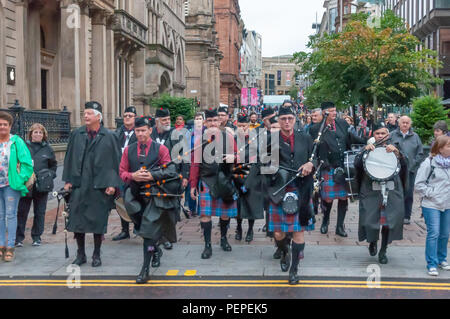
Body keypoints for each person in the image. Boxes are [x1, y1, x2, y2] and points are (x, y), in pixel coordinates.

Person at [63, 101, 122, 267]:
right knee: (76, 220)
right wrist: (68, 181)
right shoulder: (77, 134)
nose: (85, 116)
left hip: (100, 185)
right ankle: (80, 254)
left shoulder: (110, 136)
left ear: (98, 117)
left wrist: (112, 184)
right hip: (79, 184)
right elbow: (69, 158)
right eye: (84, 113)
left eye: (89, 113)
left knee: (98, 221)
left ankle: (96, 253)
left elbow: (115, 162)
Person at [119, 116, 178, 283]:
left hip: (154, 196)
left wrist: (152, 175)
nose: (140, 134)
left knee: (148, 234)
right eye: (137, 131)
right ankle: (156, 250)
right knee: (146, 231)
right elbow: (122, 172)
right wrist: (133, 176)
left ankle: (145, 269)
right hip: (135, 197)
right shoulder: (128, 150)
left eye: (143, 130)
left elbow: (170, 171)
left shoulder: (161, 150)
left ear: (150, 130)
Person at [265, 105, 315, 285]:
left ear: (295, 120)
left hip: (301, 188)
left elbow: (316, 157)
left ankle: (294, 270)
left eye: (290, 119)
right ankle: (284, 251)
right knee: (278, 233)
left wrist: (311, 165)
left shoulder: (305, 137)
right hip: (279, 189)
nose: (287, 122)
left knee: (298, 231)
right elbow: (261, 163)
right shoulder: (270, 140)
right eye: (283, 119)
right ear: (278, 121)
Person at [309, 102, 365, 237]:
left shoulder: (342, 124)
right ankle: (325, 221)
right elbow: (313, 149)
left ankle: (340, 226)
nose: (335, 113)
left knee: (343, 198)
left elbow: (352, 140)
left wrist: (367, 142)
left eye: (335, 111)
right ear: (324, 113)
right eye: (332, 111)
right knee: (327, 199)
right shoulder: (316, 128)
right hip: (328, 167)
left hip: (343, 166)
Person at [355, 121, 408, 264]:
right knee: (370, 220)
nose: (380, 136)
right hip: (371, 189)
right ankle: (372, 241)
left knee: (388, 222)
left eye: (383, 133)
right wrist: (364, 151)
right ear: (373, 135)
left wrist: (398, 153)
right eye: (377, 133)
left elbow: (405, 165)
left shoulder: (395, 146)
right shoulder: (368, 147)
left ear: (388, 134)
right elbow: (357, 165)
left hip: (391, 189)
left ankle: (383, 250)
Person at [190, 109, 237, 259]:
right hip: (206, 180)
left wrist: (234, 157)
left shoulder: (229, 138)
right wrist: (192, 185)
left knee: (224, 215)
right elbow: (195, 164)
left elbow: (241, 157)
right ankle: (207, 244)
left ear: (220, 121)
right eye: (209, 121)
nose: (212, 123)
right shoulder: (200, 141)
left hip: (224, 180)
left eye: (215, 120)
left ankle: (223, 239)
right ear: (205, 123)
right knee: (205, 215)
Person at [151, 108, 189, 256]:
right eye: (164, 120)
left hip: (171, 178)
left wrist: (185, 176)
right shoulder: (150, 133)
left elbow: (185, 155)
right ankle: (157, 236)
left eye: (168, 119)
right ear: (156, 121)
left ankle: (167, 237)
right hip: (153, 178)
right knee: (154, 209)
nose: (167, 122)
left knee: (169, 210)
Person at [16, 123, 57, 247]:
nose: (38, 134)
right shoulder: (24, 146)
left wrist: (49, 175)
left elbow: (53, 165)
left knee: (40, 212)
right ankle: (19, 238)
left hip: (42, 186)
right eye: (35, 132)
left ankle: (37, 236)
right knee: (22, 212)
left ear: (44, 135)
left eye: (40, 132)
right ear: (31, 134)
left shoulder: (48, 149)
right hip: (26, 185)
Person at [415, 135, 450, 276]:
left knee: (445, 234)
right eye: (448, 146)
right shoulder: (428, 163)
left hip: (447, 203)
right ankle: (431, 263)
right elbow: (418, 185)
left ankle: (442, 259)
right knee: (434, 233)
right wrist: (432, 193)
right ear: (440, 148)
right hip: (431, 204)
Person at [0, 112, 33, 262]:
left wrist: (20, 179)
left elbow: (27, 163)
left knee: (11, 215)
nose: (2, 127)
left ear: (10, 126)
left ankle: (10, 247)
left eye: (5, 124)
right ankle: (1, 245)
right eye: (0, 124)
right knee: (0, 216)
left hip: (10, 185)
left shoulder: (16, 141)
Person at [234, 114, 264, 243]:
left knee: (251, 204)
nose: (242, 128)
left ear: (249, 126)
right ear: (236, 126)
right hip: (236, 176)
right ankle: (239, 227)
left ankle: (250, 229)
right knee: (238, 206)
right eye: (240, 126)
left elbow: (260, 159)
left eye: (244, 126)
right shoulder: (232, 139)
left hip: (252, 176)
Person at [390, 116, 424, 224]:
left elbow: (420, 153)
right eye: (403, 122)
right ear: (399, 123)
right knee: (395, 192)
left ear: (410, 124)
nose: (405, 124)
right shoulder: (392, 135)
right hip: (395, 170)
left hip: (410, 170)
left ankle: (406, 216)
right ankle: (396, 214)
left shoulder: (415, 137)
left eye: (407, 123)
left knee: (409, 193)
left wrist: (413, 165)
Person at [113, 106, 138, 241]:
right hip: (120, 172)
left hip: (133, 171)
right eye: (125, 116)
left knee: (134, 199)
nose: (127, 118)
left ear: (135, 118)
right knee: (121, 200)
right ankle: (124, 230)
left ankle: (137, 226)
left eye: (130, 115)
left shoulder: (139, 133)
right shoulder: (117, 133)